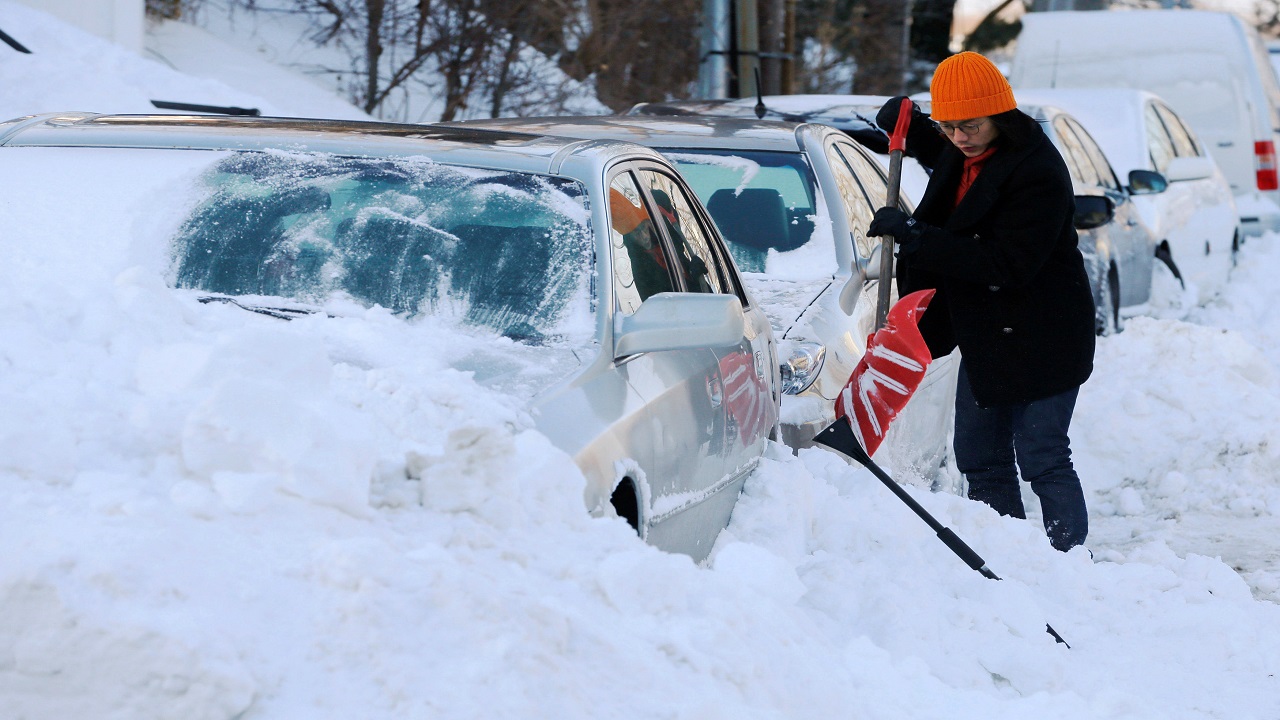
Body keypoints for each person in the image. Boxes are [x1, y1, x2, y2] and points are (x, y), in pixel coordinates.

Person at [866, 51, 1096, 552]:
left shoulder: (1037, 172)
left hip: (1045, 333)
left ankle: (1071, 563)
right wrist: (907, 123)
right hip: (988, 332)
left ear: (1000, 115)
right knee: (978, 456)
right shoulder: (965, 148)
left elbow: (1004, 264)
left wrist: (914, 234)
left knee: (1042, 454)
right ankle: (1008, 554)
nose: (958, 138)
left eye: (968, 126)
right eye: (948, 127)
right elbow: (942, 152)